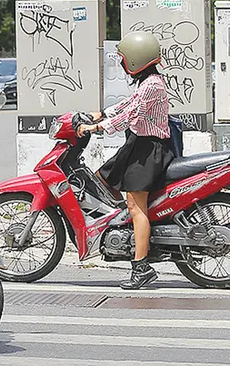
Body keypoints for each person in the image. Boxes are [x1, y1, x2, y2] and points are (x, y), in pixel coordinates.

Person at [76, 31, 175, 290]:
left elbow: (130, 115)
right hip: (137, 146)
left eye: (123, 60)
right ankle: (121, 233)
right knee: (100, 179)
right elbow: (125, 104)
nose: (121, 64)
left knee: (136, 208)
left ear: (134, 60)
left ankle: (141, 268)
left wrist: (95, 129)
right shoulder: (148, 82)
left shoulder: (152, 85)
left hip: (148, 151)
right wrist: (97, 114)